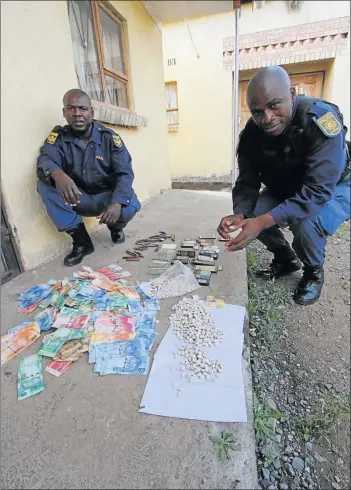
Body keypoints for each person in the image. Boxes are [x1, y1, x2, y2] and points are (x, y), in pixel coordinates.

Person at [218, 66, 350, 306]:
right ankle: (285, 258)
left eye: (274, 105)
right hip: (290, 186)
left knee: (307, 221)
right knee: (255, 212)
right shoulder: (251, 133)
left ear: (291, 94)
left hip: (333, 187)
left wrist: (263, 222)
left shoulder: (320, 120)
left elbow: (317, 191)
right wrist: (241, 213)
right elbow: (247, 180)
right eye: (257, 111)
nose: (267, 118)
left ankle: (313, 272)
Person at [37, 89, 141, 266]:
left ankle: (115, 226)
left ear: (92, 112)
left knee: (129, 204)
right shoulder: (58, 138)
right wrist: (57, 174)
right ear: (64, 112)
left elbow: (125, 173)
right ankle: (82, 242)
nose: (77, 114)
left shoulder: (109, 138)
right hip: (78, 197)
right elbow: (46, 159)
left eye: (83, 108)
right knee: (45, 183)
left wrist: (116, 203)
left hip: (107, 198)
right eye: (71, 108)